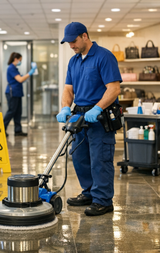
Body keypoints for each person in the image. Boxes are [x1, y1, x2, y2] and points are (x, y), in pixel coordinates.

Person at [56, 22, 122, 216]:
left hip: (100, 117)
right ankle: (90, 192)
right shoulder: (74, 61)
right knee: (79, 156)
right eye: (68, 43)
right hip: (79, 116)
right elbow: (68, 89)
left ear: (84, 36)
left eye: (74, 41)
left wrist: (98, 108)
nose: (71, 46)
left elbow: (114, 88)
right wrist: (65, 106)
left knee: (100, 159)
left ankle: (103, 200)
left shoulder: (104, 56)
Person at [4, 52, 37, 137]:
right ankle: (2, 129)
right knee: (11, 111)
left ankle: (18, 130)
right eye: (20, 60)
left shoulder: (15, 68)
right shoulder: (11, 68)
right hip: (12, 93)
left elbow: (19, 79)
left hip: (17, 93)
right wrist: (30, 72)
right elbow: (20, 79)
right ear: (15, 59)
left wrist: (25, 76)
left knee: (18, 112)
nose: (20, 62)